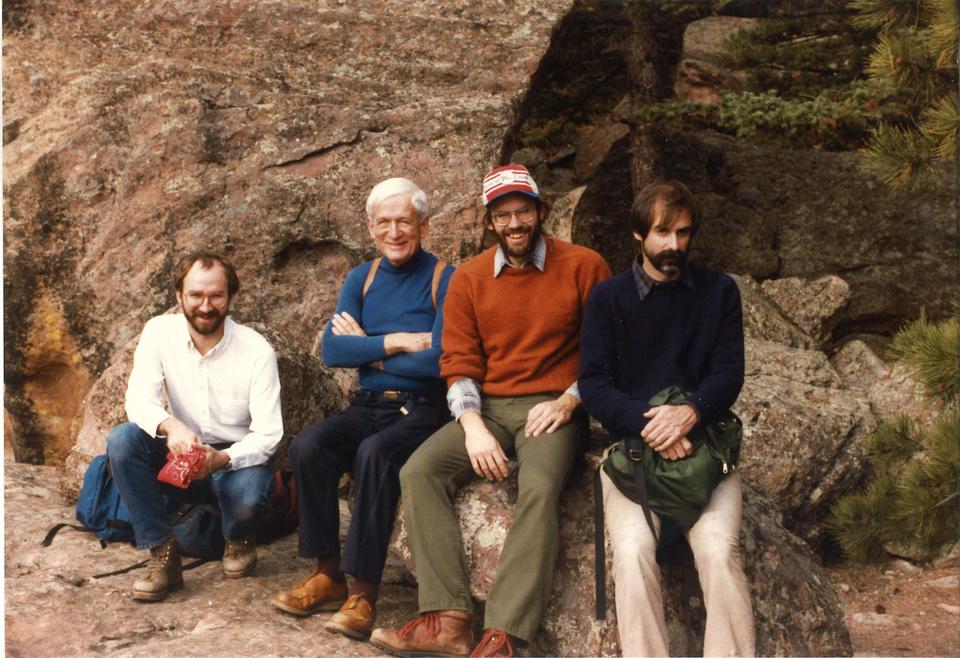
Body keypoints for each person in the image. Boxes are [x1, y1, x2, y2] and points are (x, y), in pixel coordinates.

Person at [370, 164, 612, 658]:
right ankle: (449, 618)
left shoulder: (585, 265)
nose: (516, 223)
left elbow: (606, 352)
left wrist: (569, 401)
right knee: (419, 471)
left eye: (524, 211)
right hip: (489, 407)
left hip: (554, 406)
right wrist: (473, 425)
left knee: (540, 486)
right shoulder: (471, 277)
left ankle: (504, 633)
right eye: (503, 215)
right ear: (489, 223)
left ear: (541, 211)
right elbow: (458, 361)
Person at [270, 178, 455, 641]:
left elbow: (441, 359)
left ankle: (364, 592)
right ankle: (328, 574)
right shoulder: (362, 278)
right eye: (384, 222)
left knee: (376, 453)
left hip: (424, 408)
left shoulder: (444, 278)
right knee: (310, 445)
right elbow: (332, 350)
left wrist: (366, 347)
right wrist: (393, 342)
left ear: (424, 226)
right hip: (367, 402)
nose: (394, 232)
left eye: (404, 222)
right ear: (370, 227)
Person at [578, 180, 755, 657]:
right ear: (639, 233)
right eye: (661, 232)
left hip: (704, 446)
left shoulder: (719, 292)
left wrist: (690, 413)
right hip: (634, 451)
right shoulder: (608, 300)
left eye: (682, 232)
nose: (673, 245)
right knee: (633, 555)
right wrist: (653, 424)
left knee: (719, 554)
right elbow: (593, 385)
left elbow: (727, 373)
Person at [106, 251, 283, 602]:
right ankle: (163, 553)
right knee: (123, 440)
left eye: (216, 295)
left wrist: (219, 459)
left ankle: (239, 535)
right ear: (179, 296)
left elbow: (269, 434)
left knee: (247, 498)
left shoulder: (257, 350)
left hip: (234, 462)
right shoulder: (158, 331)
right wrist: (171, 427)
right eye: (195, 295)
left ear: (231, 296)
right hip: (182, 456)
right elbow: (138, 400)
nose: (205, 306)